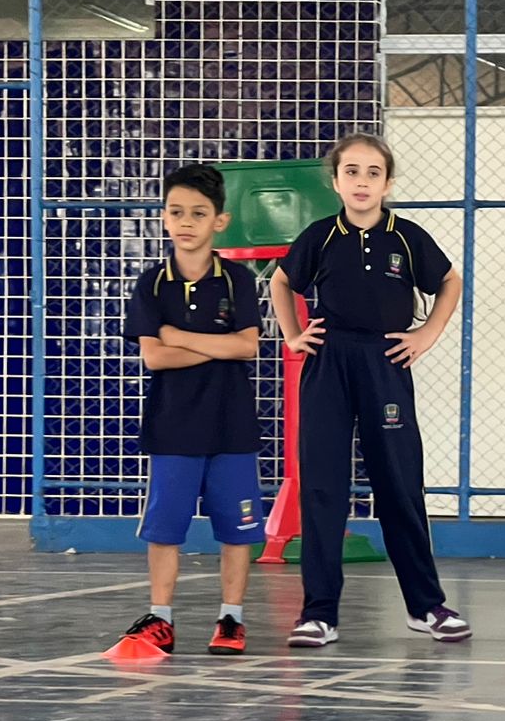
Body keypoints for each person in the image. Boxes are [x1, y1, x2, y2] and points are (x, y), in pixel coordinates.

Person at [269, 133, 470, 648]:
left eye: (373, 172)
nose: (362, 181)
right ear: (336, 181)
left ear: (388, 183)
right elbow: (279, 283)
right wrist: (294, 334)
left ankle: (426, 606)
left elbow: (449, 280)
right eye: (352, 172)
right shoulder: (319, 236)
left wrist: (427, 334)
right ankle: (318, 613)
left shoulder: (406, 238)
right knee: (323, 488)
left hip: (385, 363)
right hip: (329, 363)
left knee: (400, 486)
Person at [118, 163, 263, 656]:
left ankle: (231, 619)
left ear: (218, 221)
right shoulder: (152, 284)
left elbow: (248, 347)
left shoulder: (238, 281)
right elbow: (154, 356)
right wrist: (212, 343)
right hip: (173, 425)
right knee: (165, 529)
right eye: (176, 212)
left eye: (198, 213)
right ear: (163, 217)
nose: (186, 221)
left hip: (232, 425)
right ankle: (161, 619)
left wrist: (180, 337)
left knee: (236, 529)